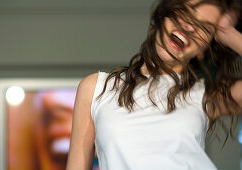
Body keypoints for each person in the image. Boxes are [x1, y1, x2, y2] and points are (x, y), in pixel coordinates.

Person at [66, 0, 242, 169]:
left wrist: (229, 34)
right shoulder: (96, 88)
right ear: (165, 15)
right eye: (186, 13)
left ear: (204, 52)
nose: (190, 27)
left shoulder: (205, 95)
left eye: (204, 28)